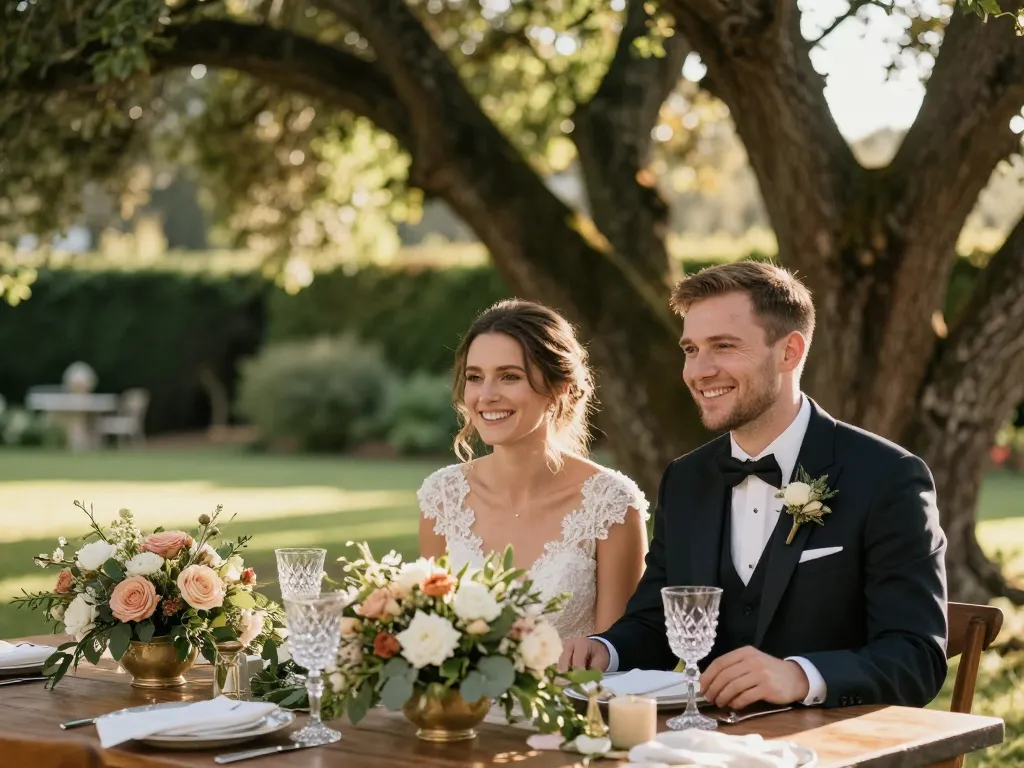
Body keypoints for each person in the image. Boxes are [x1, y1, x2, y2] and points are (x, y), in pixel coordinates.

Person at [559, 261, 948, 710]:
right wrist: (606, 651)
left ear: (790, 352)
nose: (699, 371)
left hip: (836, 746)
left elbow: (916, 657)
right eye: (690, 349)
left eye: (723, 346)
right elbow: (656, 624)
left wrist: (800, 676)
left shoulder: (887, 476)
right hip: (703, 748)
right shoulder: (686, 480)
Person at [418, 298, 650, 638]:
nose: (486, 395)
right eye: (475, 377)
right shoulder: (442, 498)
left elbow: (619, 660)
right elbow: (430, 636)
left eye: (509, 377)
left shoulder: (610, 504)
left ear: (559, 388)